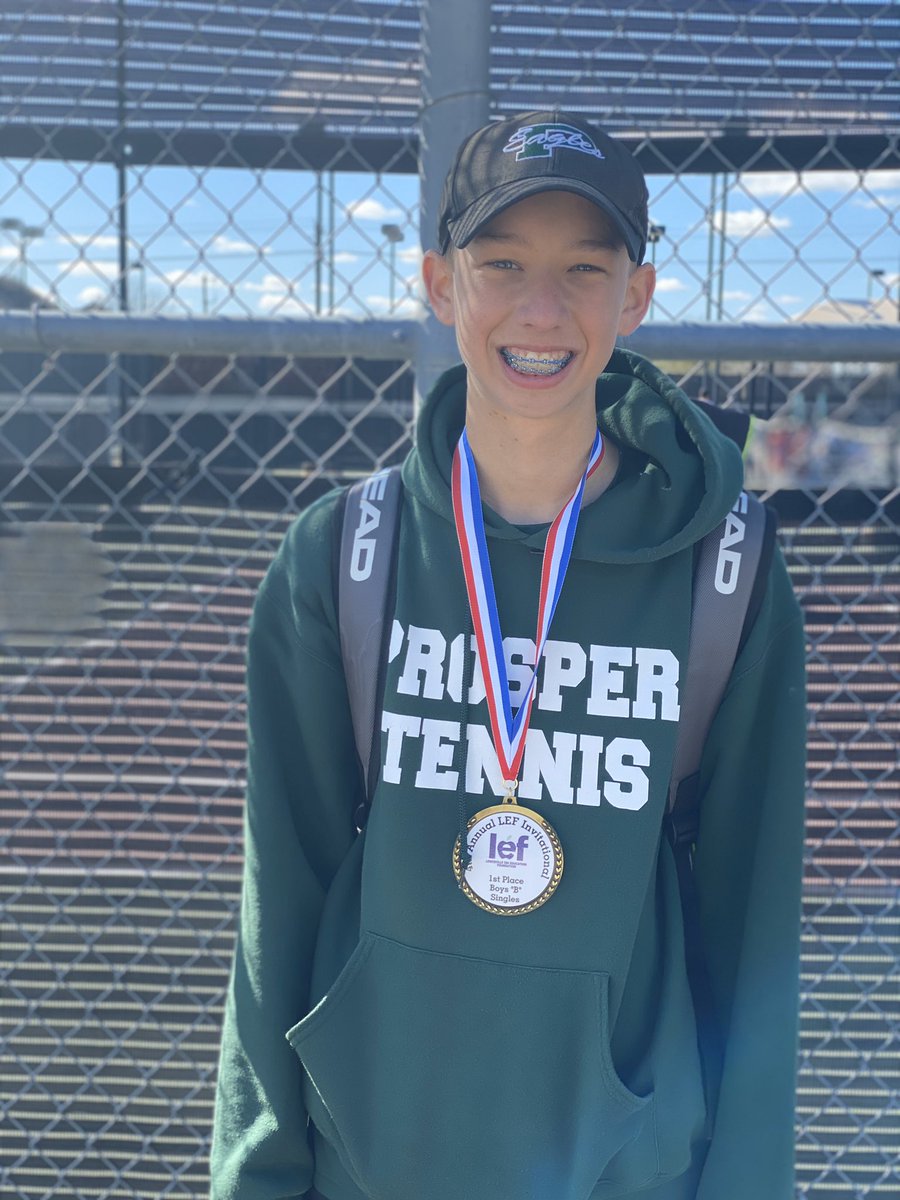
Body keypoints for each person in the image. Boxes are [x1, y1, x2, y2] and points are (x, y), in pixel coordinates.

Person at [210, 111, 807, 1200]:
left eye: (585, 266)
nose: (542, 308)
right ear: (441, 284)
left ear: (636, 294)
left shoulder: (729, 579)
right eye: (502, 264)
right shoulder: (340, 558)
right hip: (375, 1162)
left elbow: (756, 934)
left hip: (622, 1170)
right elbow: (277, 908)